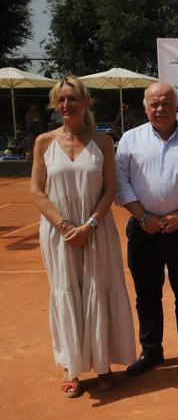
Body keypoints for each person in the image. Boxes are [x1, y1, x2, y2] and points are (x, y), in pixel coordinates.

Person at [30, 77, 135, 398]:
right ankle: (71, 367)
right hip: (58, 232)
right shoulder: (43, 142)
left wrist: (89, 225)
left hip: (97, 230)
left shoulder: (103, 142)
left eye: (73, 99)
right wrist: (64, 227)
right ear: (54, 104)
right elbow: (36, 190)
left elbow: (110, 191)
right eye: (61, 100)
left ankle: (102, 363)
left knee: (98, 290)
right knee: (66, 292)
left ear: (87, 103)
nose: (66, 105)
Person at [116, 82, 178, 378]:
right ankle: (152, 352)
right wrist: (142, 216)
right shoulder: (130, 140)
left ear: (177, 107)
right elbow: (121, 181)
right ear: (145, 108)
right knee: (146, 295)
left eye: (166, 103)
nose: (160, 109)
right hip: (143, 229)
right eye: (154, 104)